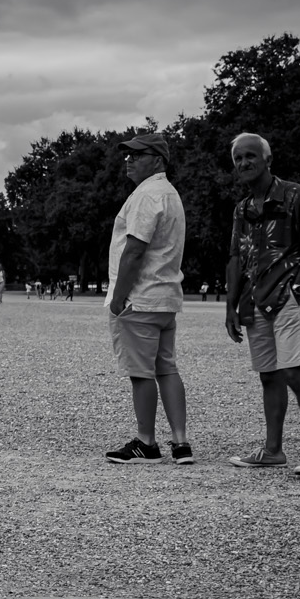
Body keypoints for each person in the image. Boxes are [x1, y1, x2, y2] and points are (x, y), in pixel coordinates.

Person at [225, 132, 300, 477]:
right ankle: (273, 450)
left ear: (268, 160)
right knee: (268, 376)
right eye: (238, 158)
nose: (244, 163)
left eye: (250, 156)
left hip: (286, 294)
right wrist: (230, 306)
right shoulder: (242, 209)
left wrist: (299, 284)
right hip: (254, 300)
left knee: (293, 372)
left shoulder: (295, 195)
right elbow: (235, 259)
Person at [105, 133, 191, 463]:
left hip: (140, 299)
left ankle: (146, 442)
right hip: (166, 298)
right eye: (127, 155)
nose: (128, 160)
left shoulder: (146, 195)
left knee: (141, 373)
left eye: (137, 155)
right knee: (166, 368)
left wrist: (118, 296)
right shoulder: (170, 193)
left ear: (157, 160)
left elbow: (135, 250)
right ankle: (181, 443)